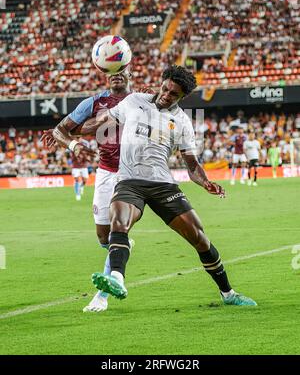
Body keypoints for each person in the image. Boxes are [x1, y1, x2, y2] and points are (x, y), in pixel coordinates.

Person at [73, 66, 257, 307]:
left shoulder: (182, 121)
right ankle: (117, 278)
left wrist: (205, 182)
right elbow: (101, 121)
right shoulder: (134, 101)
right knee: (119, 222)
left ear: (182, 97)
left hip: (163, 185)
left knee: (199, 238)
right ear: (161, 83)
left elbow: (191, 164)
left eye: (173, 94)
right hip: (129, 181)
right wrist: (74, 130)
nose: (166, 95)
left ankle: (228, 294)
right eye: (165, 88)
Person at [42, 70, 134, 313]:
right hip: (105, 173)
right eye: (112, 72)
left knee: (117, 230)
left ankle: (102, 296)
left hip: (133, 174)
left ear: (130, 73)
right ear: (105, 74)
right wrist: (73, 144)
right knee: (104, 237)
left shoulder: (140, 99)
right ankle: (123, 246)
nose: (117, 76)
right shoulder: (92, 103)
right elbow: (60, 130)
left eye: (121, 71)